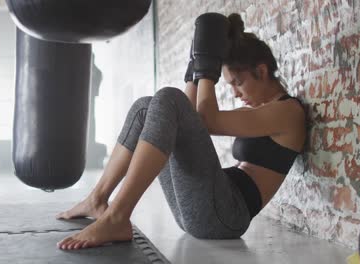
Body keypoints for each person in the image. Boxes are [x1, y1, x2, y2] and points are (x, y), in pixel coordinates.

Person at [56, 13, 306, 250]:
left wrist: (207, 68)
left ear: (261, 71)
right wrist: (195, 70)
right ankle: (98, 199)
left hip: (225, 215)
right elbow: (190, 117)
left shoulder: (288, 112)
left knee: (168, 99)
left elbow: (206, 121)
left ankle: (117, 217)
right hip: (203, 207)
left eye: (237, 83)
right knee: (147, 107)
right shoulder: (262, 113)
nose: (235, 94)